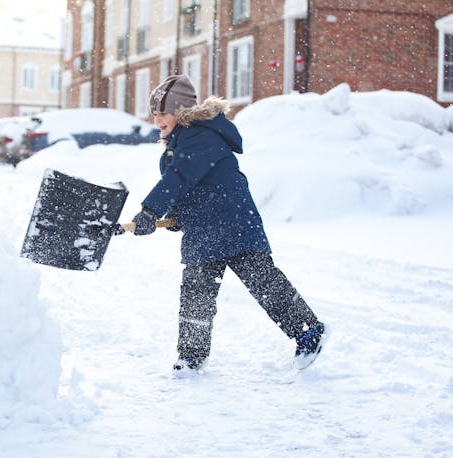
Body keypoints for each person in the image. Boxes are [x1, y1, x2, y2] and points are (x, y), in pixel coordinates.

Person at [129, 74, 325, 372]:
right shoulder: (177, 143)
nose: (157, 120)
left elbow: (179, 176)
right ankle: (191, 357)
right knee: (196, 294)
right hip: (203, 231)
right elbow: (189, 186)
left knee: (264, 283)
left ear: (181, 112)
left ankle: (308, 331)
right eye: (154, 114)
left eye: (163, 113)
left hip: (233, 224)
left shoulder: (200, 135)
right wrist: (177, 218)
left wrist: (149, 211)